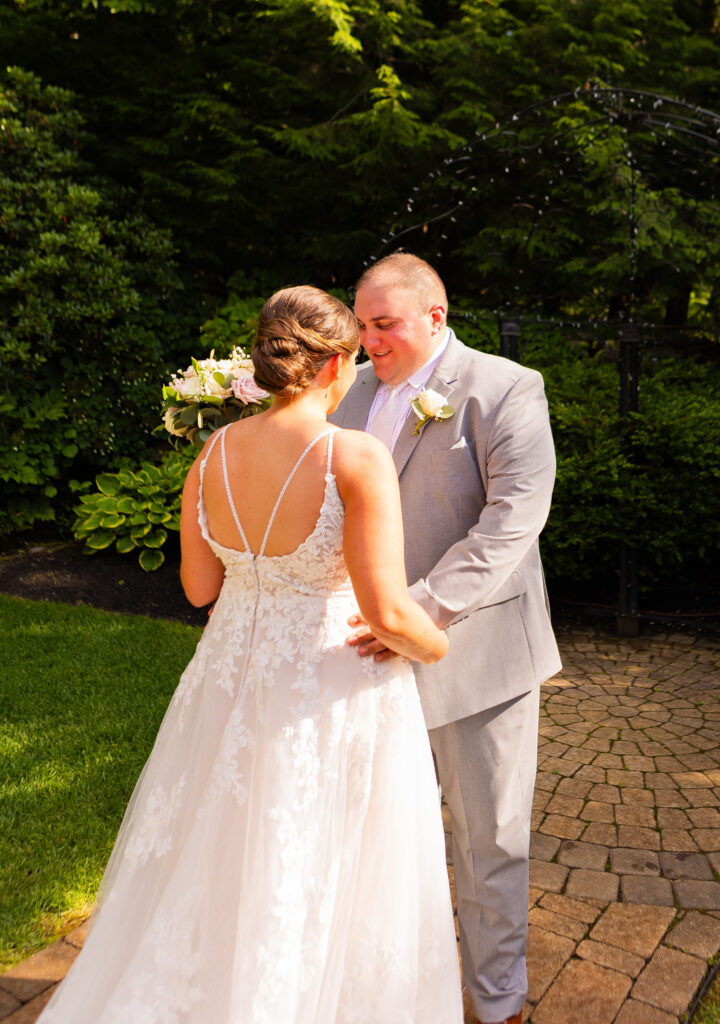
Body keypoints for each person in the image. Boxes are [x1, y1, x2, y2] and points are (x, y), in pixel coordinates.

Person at [37, 285, 463, 1024]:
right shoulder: (353, 457)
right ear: (340, 363)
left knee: (218, 858)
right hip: (328, 694)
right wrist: (438, 644)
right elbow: (390, 610)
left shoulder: (213, 450)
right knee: (315, 868)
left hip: (228, 683)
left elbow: (200, 588)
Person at [331, 254, 561, 1024]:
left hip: (477, 656)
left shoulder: (505, 388)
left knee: (488, 838)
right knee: (377, 831)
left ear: (436, 315)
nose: (368, 342)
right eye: (361, 325)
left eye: (383, 324)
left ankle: (500, 1004)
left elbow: (513, 523)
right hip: (364, 655)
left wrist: (416, 612)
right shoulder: (352, 390)